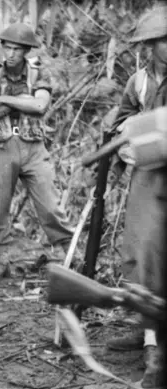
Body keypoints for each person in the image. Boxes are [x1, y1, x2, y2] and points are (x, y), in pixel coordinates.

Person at [0, 23, 75, 282]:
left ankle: (70, 253)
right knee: (0, 206)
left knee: (50, 203)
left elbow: (40, 105)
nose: (11, 54)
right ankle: (1, 259)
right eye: (7, 47)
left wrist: (3, 99)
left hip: (33, 145)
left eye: (17, 49)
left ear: (26, 51)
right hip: (2, 145)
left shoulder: (37, 74)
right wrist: (21, 101)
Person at [102, 4, 167, 355]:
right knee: (138, 250)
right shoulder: (138, 82)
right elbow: (122, 121)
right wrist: (122, 138)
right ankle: (143, 329)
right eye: (165, 41)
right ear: (151, 45)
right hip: (146, 173)